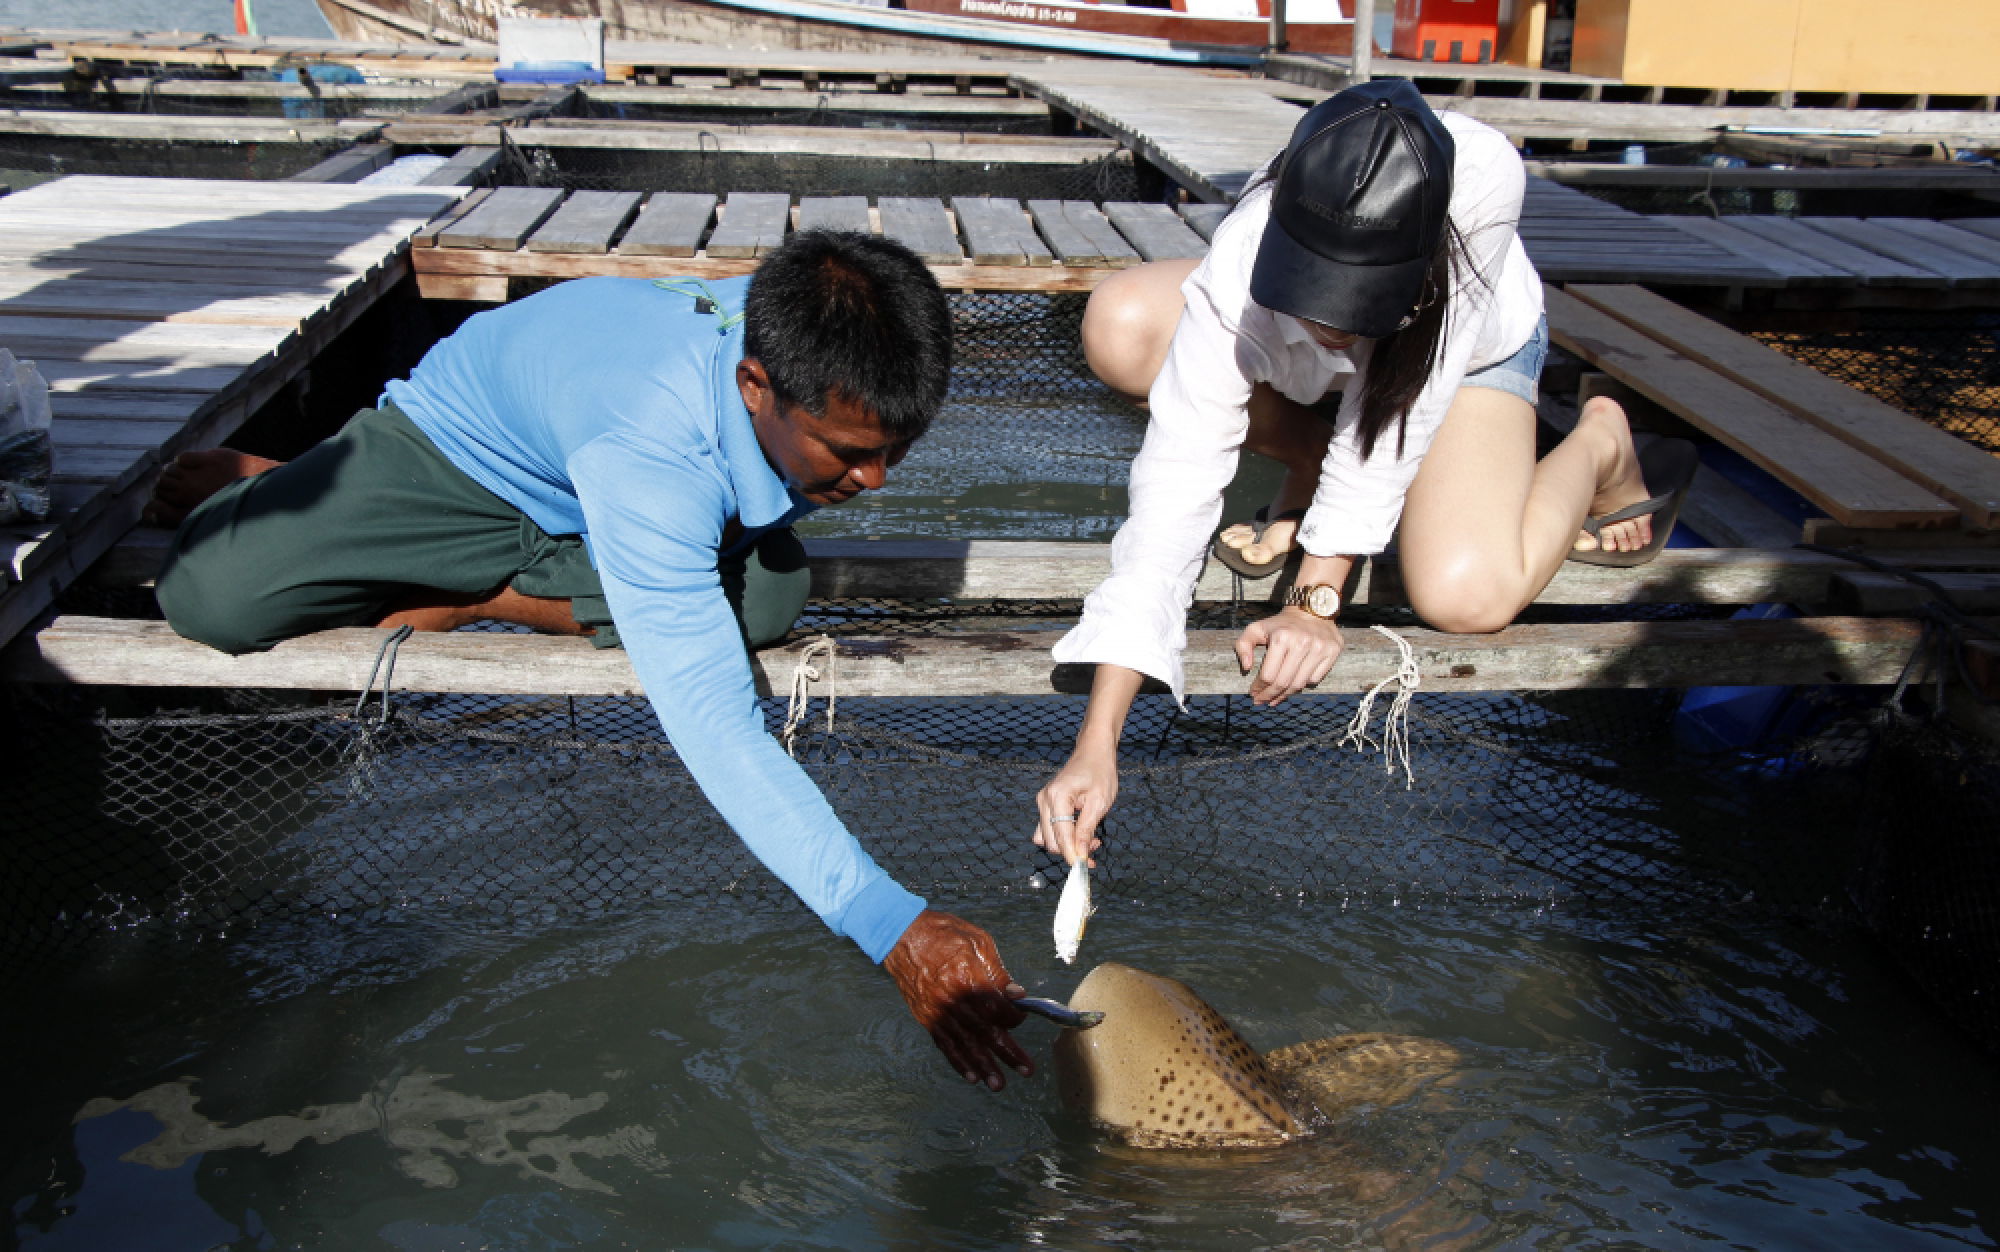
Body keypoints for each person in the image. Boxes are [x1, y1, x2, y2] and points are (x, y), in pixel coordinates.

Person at [149, 230, 1034, 1093]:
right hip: (466, 462)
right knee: (206, 593)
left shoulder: (808, 341)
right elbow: (718, 730)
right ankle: (291, 482)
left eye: (896, 448)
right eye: (850, 452)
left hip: (618, 483)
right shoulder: (657, 443)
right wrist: (893, 926)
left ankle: (476, 593)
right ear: (753, 384)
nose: (877, 481)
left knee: (769, 603)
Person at [1032, 80, 1694, 865]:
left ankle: (1599, 442)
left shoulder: (1483, 183)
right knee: (1122, 326)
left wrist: (1317, 600)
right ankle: (1307, 463)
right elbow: (1171, 498)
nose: (1336, 328)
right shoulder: (1245, 259)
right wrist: (1097, 743)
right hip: (1322, 368)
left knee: (1467, 597)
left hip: (1464, 356)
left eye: (1355, 309)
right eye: (1322, 302)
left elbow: (1392, 419)